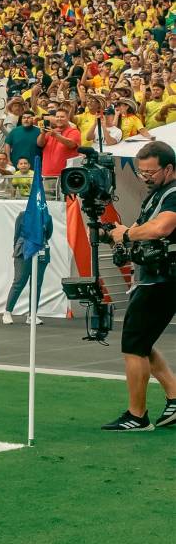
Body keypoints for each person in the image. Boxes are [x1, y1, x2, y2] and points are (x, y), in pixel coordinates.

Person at [103, 141, 176, 431]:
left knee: (134, 345)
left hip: (163, 279)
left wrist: (128, 234)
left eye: (150, 172)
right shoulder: (158, 193)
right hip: (155, 277)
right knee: (141, 342)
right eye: (140, 171)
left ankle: (137, 415)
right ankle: (173, 396)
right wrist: (118, 234)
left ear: (169, 168)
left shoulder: (172, 193)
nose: (145, 177)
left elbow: (161, 228)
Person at [2, 209, 53, 325]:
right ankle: (7, 312)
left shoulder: (47, 217)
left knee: (37, 284)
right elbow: (17, 233)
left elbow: (48, 234)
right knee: (19, 281)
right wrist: (16, 248)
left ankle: (32, 315)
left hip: (41, 251)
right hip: (22, 251)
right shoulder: (23, 215)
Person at [37, 108, 80, 178]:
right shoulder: (50, 131)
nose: (59, 119)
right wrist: (42, 134)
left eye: (62, 117)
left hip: (65, 175)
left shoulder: (74, 131)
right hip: (46, 174)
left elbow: (71, 144)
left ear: (68, 118)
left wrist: (55, 135)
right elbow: (39, 144)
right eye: (57, 117)